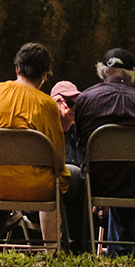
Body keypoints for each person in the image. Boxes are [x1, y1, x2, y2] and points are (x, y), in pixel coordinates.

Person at [73, 49, 135, 251]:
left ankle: (79, 247)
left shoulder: (85, 98)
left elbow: (81, 144)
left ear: (103, 71)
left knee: (113, 173)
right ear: (133, 74)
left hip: (98, 182)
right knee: (130, 174)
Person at [0, 43, 67, 244]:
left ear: (17, 69)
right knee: (63, 181)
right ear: (44, 75)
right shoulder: (48, 104)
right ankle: (55, 250)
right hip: (37, 188)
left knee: (0, 175)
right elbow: (58, 159)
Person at [51, 80, 87, 244]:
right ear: (55, 102)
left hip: (78, 192)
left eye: (77, 104)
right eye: (70, 102)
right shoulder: (46, 130)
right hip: (50, 189)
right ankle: (76, 244)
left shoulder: (80, 133)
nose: (74, 108)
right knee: (74, 174)